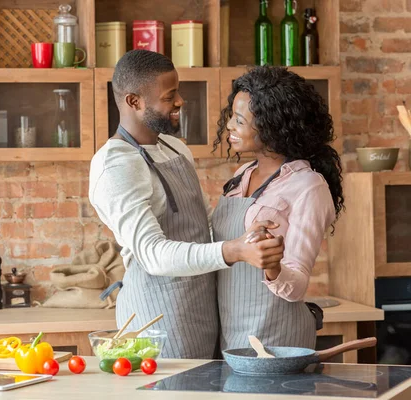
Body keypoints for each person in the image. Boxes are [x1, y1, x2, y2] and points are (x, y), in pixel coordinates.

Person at [89, 50, 285, 359]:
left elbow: (201, 224)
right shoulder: (115, 166)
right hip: (156, 319)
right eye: (169, 96)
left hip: (201, 307)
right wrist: (234, 251)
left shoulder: (174, 147)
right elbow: (152, 255)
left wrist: (248, 237)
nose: (180, 101)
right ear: (133, 101)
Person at [212, 66, 344, 351]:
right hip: (231, 330)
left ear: (272, 125)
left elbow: (296, 286)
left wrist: (272, 266)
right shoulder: (242, 175)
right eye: (231, 117)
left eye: (239, 120)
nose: (230, 127)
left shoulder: (308, 186)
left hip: (277, 334)